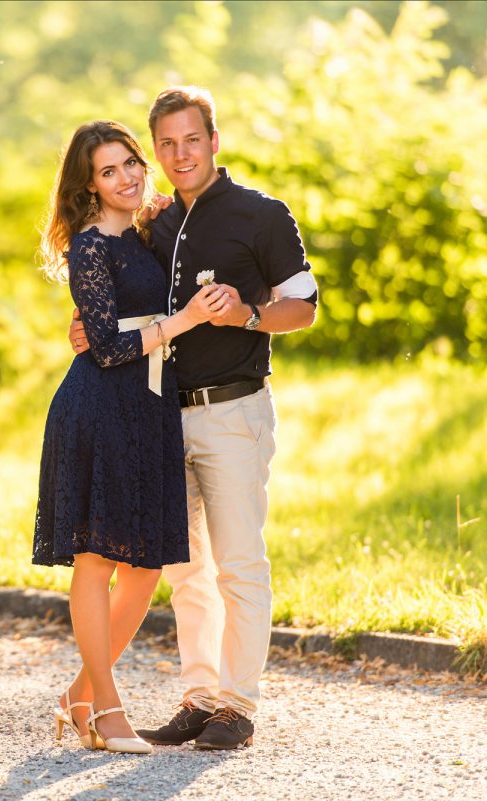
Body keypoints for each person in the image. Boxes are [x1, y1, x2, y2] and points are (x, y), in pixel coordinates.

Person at [69, 87, 318, 750]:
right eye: (168, 143)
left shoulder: (262, 214)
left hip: (234, 411)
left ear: (214, 140)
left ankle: (236, 704)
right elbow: (119, 292)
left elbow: (305, 306)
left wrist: (248, 314)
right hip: (159, 415)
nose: (181, 154)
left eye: (192, 139)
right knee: (187, 573)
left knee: (239, 564)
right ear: (156, 150)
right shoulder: (154, 222)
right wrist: (88, 325)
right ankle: (200, 695)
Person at [33, 120, 229, 755]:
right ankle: (108, 710)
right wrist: (185, 320)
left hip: (149, 410)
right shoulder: (89, 247)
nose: (125, 178)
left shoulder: (147, 232)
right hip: (99, 408)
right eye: (108, 171)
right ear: (88, 185)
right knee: (97, 560)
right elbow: (109, 348)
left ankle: (78, 695)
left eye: (131, 164)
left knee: (144, 569)